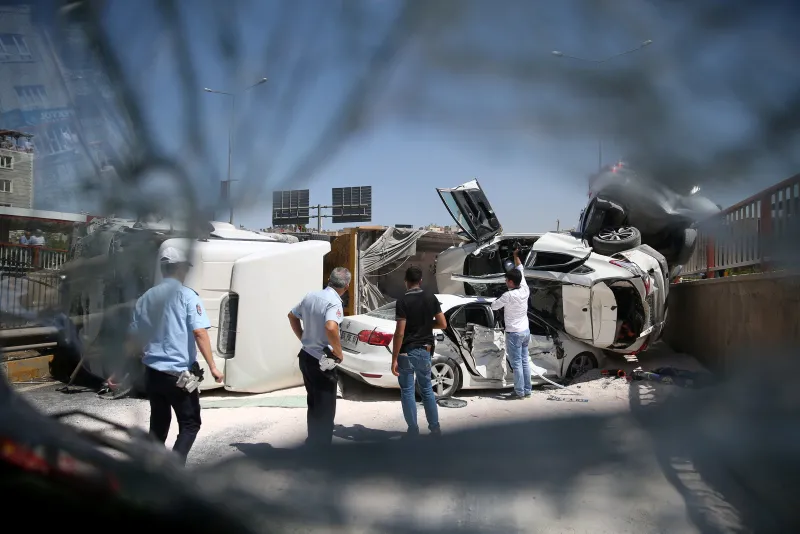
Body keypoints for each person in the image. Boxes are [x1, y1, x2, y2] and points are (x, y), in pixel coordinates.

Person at [129, 246, 223, 464]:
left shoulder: (145, 298)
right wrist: (213, 367)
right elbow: (199, 332)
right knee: (190, 424)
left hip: (152, 373)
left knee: (159, 424)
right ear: (180, 269)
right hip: (178, 375)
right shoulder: (188, 296)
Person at [288, 267, 350, 448]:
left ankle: (313, 443)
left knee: (313, 403)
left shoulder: (311, 296)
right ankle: (321, 451)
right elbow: (331, 327)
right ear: (346, 286)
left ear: (329, 280)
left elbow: (292, 315)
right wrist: (339, 352)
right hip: (323, 361)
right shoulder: (334, 302)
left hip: (306, 356)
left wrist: (303, 338)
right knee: (325, 408)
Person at [391, 266, 446, 438]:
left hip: (406, 351)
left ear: (405, 281)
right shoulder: (431, 298)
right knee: (427, 390)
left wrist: (394, 358)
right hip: (425, 351)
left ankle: (413, 430)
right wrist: (427, 326)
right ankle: (435, 428)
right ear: (420, 281)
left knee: (407, 391)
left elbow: (400, 331)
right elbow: (443, 324)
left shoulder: (402, 301)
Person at [490, 248, 531, 399]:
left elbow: (494, 306)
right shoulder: (525, 288)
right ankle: (527, 390)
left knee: (517, 363)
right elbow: (520, 268)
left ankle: (519, 392)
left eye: (506, 280)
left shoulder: (508, 295)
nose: (505, 282)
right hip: (525, 331)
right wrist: (515, 256)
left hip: (514, 333)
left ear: (512, 282)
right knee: (525, 361)